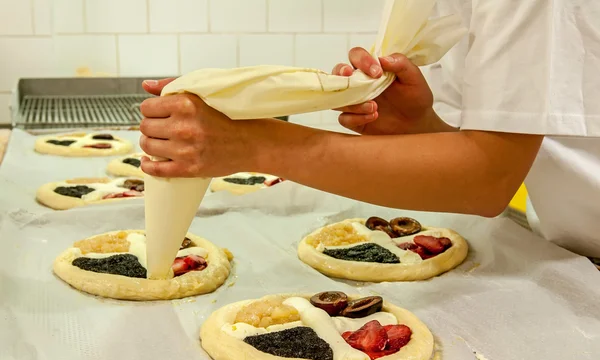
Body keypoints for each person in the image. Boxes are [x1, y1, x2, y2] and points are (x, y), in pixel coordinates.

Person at [138, 1, 600, 261]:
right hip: (571, 249)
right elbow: (498, 154)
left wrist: (255, 144)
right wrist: (419, 131)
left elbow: (488, 181)